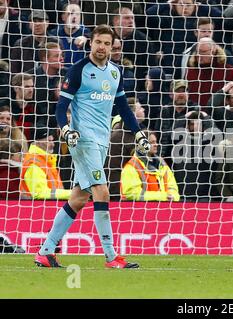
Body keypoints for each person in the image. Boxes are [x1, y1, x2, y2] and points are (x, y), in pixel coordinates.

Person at [34, 25, 151, 269]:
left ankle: (46, 252)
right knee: (102, 191)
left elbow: (124, 108)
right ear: (91, 43)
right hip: (83, 140)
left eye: (107, 43)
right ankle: (111, 257)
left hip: (102, 140)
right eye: (98, 42)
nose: (102, 47)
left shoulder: (116, 72)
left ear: (113, 46)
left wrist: (138, 133)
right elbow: (59, 108)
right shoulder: (78, 71)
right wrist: (66, 130)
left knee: (78, 198)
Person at [120, 131, 180, 202]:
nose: (156, 145)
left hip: (164, 208)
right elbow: (131, 194)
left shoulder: (163, 165)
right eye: (151, 142)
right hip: (140, 210)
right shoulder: (131, 167)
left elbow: (173, 188)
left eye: (156, 142)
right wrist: (163, 197)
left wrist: (173, 196)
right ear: (140, 145)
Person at [19, 126, 71, 200]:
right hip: (36, 209)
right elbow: (39, 193)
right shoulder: (33, 163)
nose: (53, 144)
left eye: (52, 141)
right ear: (37, 142)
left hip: (51, 206)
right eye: (49, 141)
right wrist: (72, 194)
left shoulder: (47, 161)